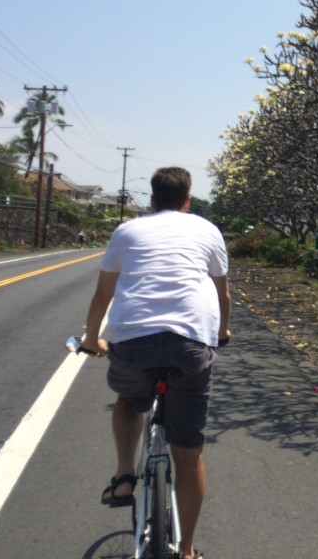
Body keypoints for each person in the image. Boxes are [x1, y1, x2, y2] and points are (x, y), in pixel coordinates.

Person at [80, 167, 231, 559]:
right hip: (190, 344)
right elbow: (223, 294)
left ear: (151, 200)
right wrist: (223, 333)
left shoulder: (127, 232)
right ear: (187, 200)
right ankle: (188, 551)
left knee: (129, 400)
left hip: (133, 342)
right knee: (189, 448)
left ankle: (124, 476)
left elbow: (102, 296)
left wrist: (90, 338)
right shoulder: (207, 230)